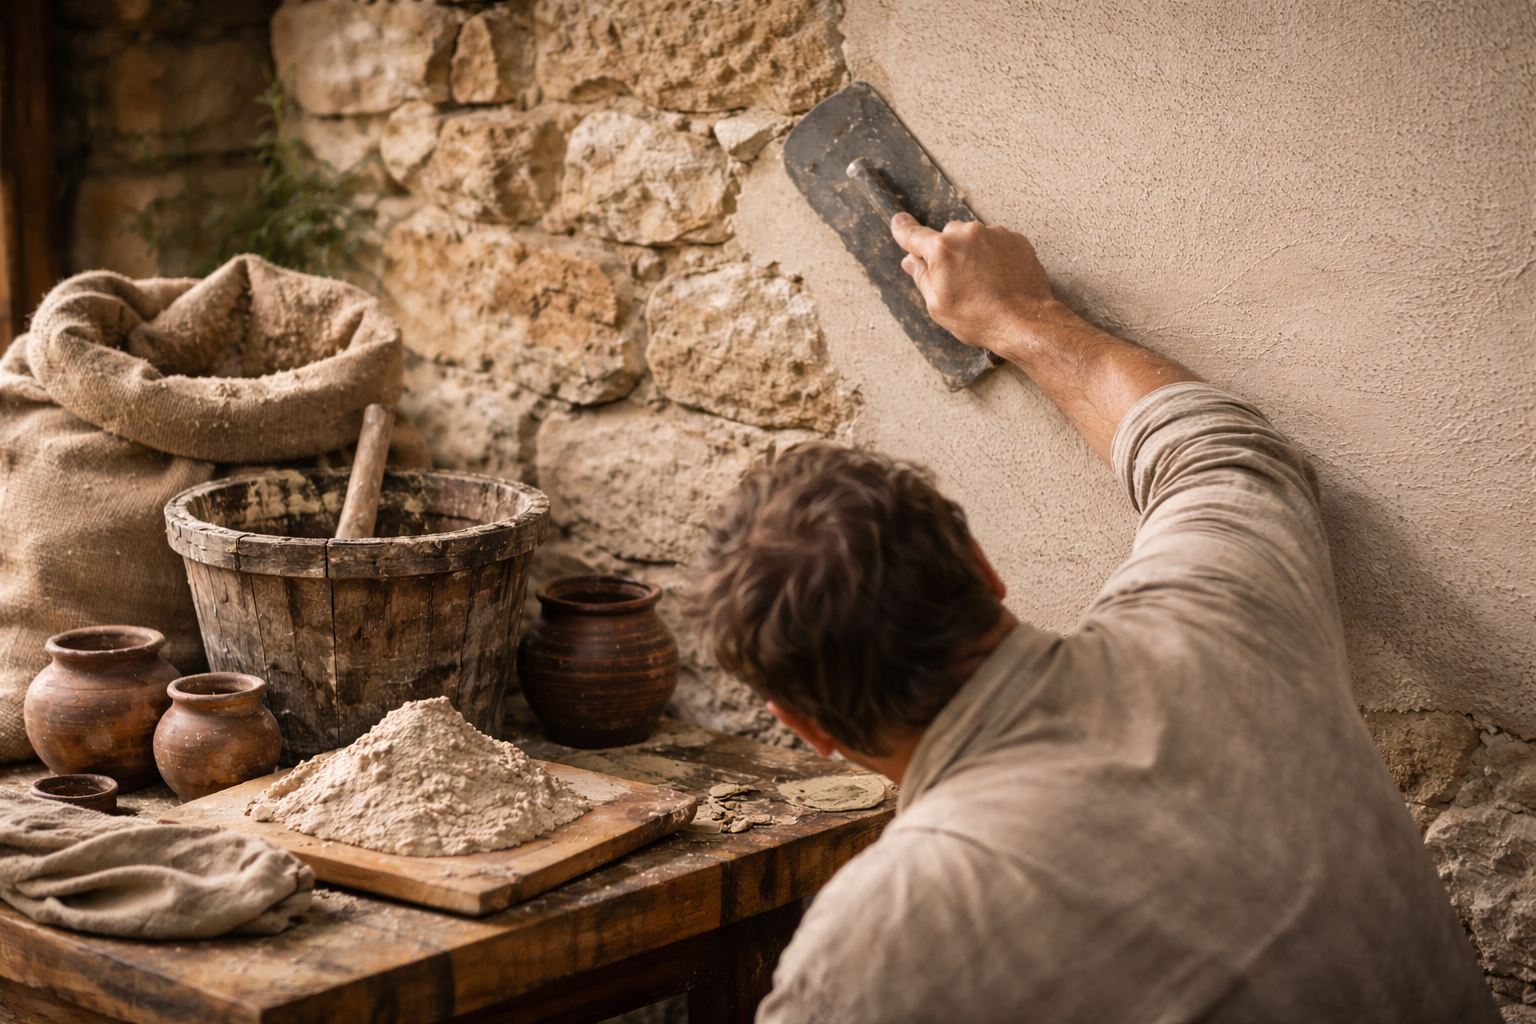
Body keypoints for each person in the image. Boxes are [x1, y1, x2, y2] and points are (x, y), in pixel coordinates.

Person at [687, 213, 1499, 1022]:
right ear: (981, 567)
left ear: (803, 725)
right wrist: (1019, 317)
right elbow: (1219, 454)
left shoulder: (866, 950)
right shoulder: (1218, 617)